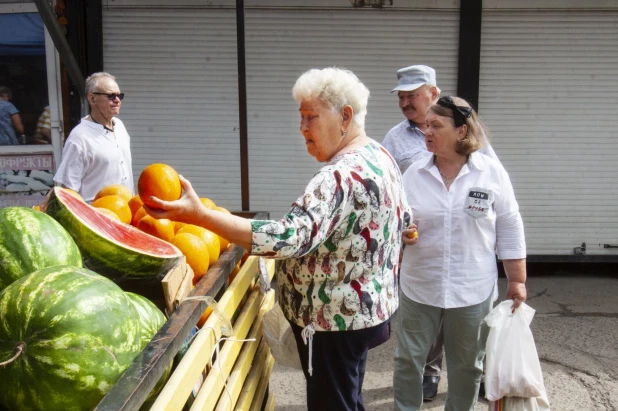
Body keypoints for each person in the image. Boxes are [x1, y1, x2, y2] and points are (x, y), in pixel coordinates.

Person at [145, 68, 411, 411]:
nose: (302, 128)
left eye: (310, 117)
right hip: (365, 314)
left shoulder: (338, 175)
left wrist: (200, 216)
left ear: (345, 116)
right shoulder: (380, 156)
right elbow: (405, 219)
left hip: (333, 323)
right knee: (348, 397)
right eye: (301, 117)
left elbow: (286, 239)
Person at [393, 96, 527, 411]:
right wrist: (401, 233)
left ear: (462, 132)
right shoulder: (413, 173)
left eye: (436, 125)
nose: (427, 131)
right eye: (426, 125)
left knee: (467, 366)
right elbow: (397, 219)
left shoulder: (490, 173)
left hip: (472, 289)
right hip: (419, 285)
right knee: (407, 361)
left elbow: (509, 223)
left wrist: (517, 279)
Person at [383, 65, 499, 401]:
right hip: (420, 253)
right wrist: (399, 228)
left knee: (464, 344)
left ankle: (451, 385)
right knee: (419, 337)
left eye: (412, 95)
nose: (405, 102)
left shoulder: (471, 139)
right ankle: (429, 375)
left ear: (432, 93)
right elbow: (388, 192)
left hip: (467, 257)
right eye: (401, 96)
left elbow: (496, 188)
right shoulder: (395, 137)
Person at [53, 72, 133, 203]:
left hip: (126, 211)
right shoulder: (79, 137)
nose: (117, 100)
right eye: (111, 96)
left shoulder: (119, 126)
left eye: (119, 96)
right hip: (96, 215)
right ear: (92, 99)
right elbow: (68, 189)